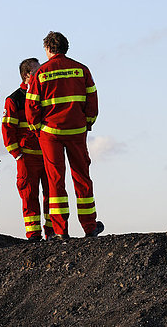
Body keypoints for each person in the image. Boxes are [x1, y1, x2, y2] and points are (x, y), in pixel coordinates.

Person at [25, 31, 104, 239]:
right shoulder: (81, 70)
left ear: (48, 49)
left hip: (50, 134)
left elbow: (31, 106)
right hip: (77, 131)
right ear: (65, 47)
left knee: (55, 181)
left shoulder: (40, 73)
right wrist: (87, 122)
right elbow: (92, 101)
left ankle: (60, 231)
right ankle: (90, 226)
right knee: (82, 177)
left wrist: (37, 128)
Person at [2, 58, 54, 241]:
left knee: (52, 195)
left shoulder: (46, 94)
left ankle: (52, 232)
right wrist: (17, 154)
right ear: (27, 75)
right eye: (37, 71)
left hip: (47, 155)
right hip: (27, 157)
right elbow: (8, 129)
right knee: (29, 196)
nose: (42, 74)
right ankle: (33, 235)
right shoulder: (14, 99)